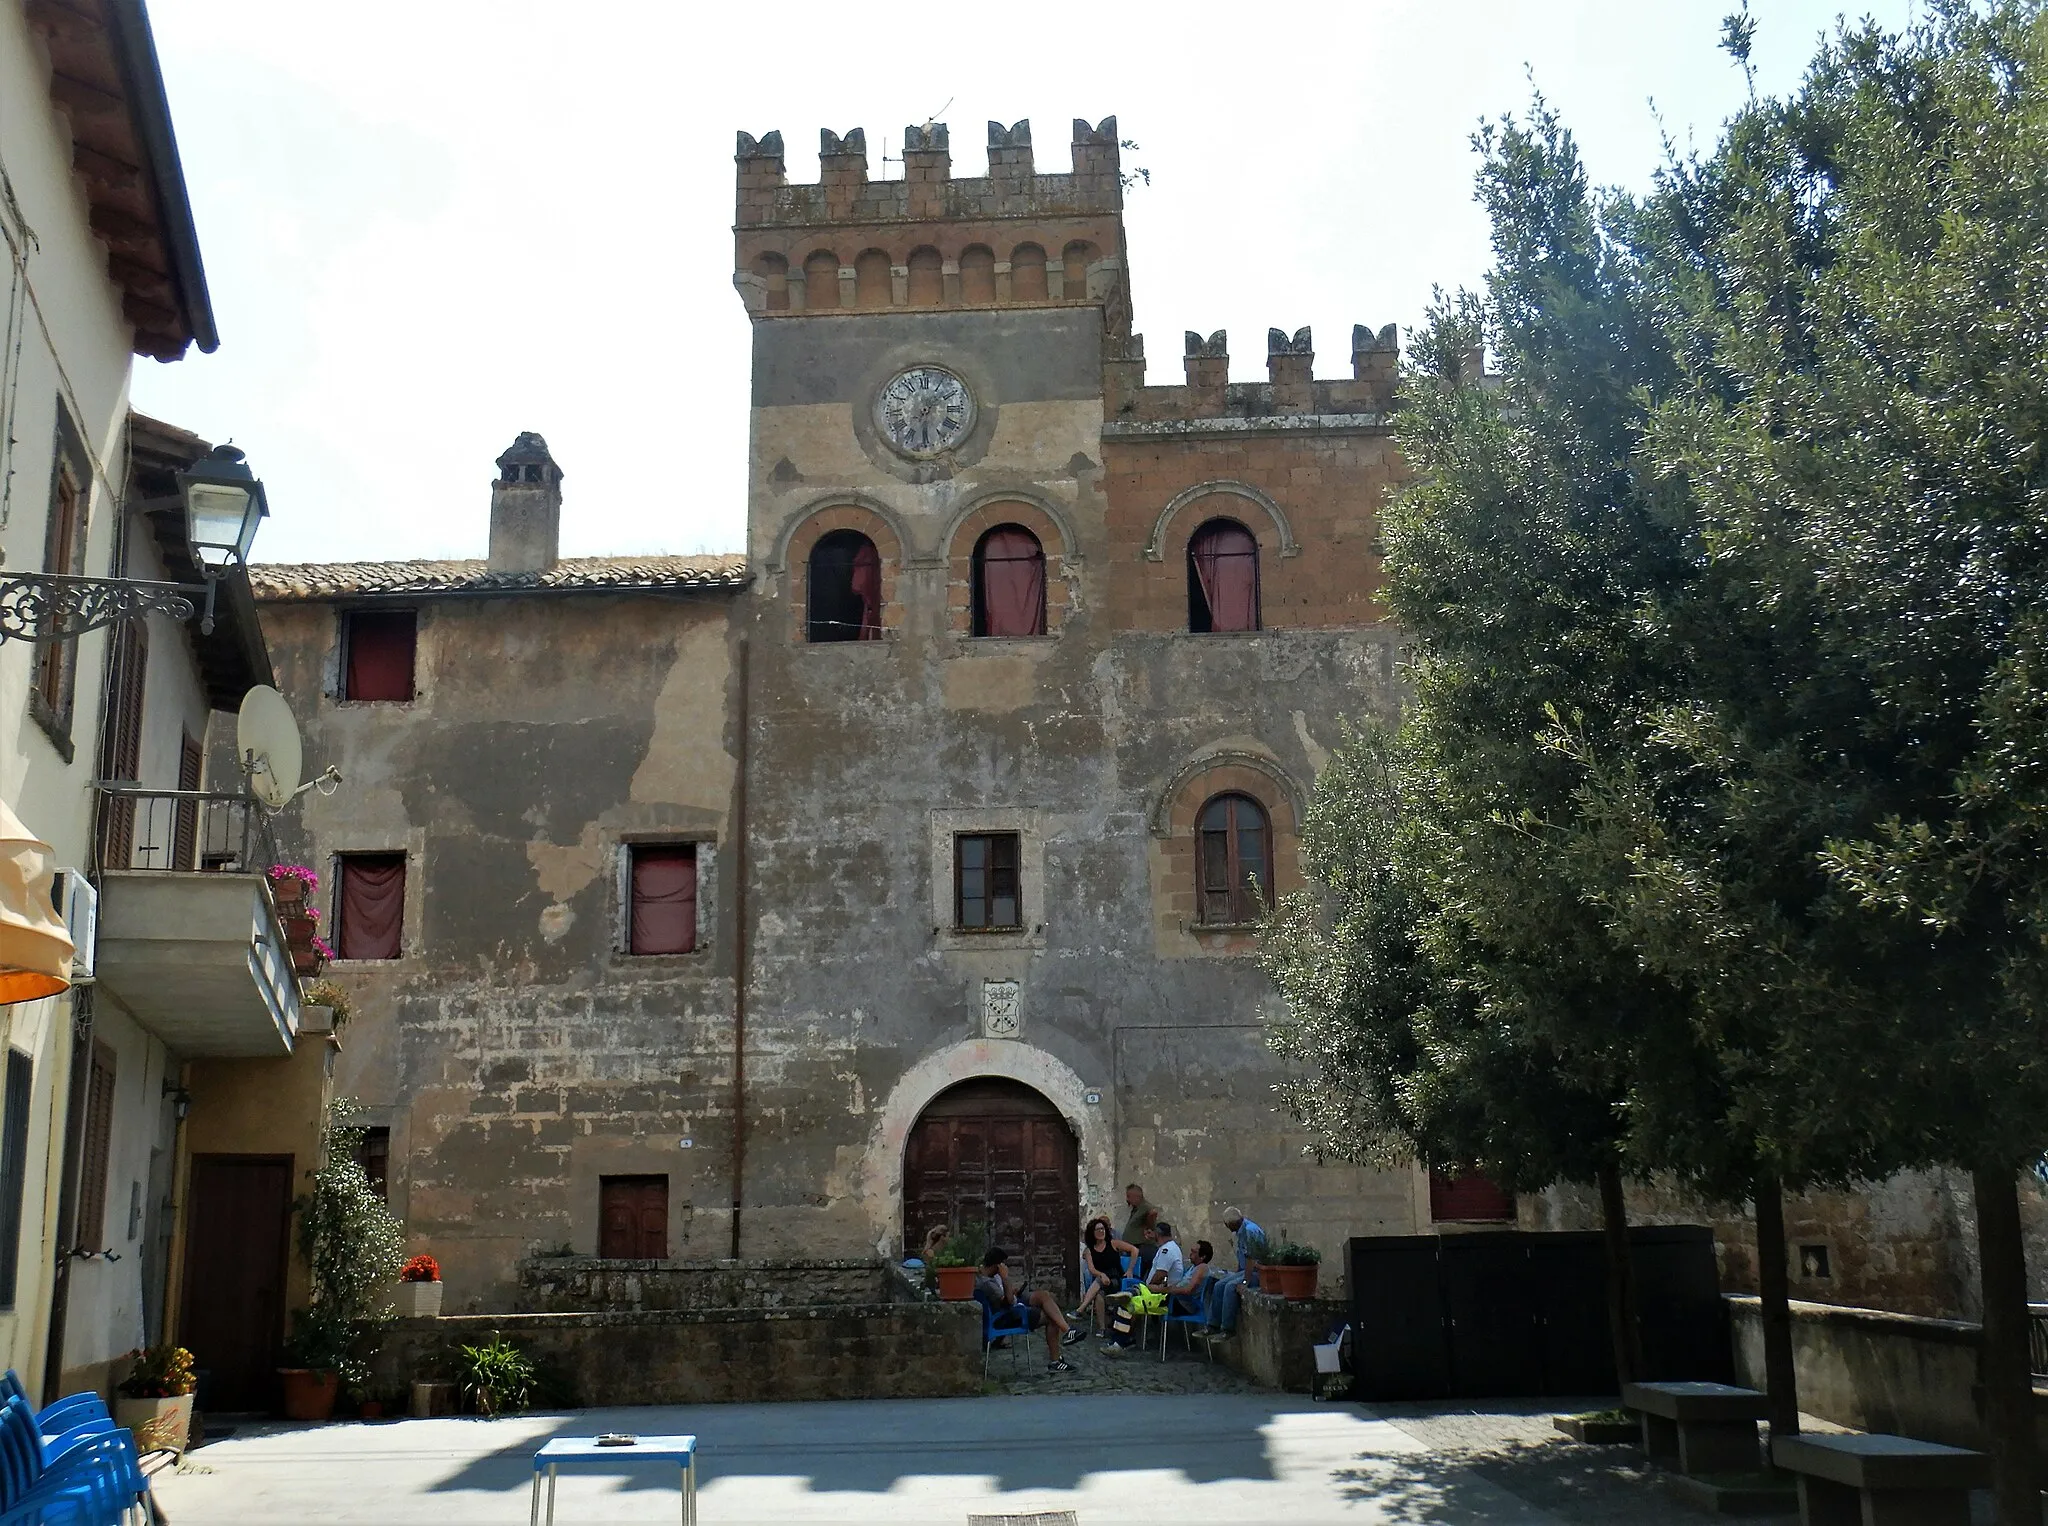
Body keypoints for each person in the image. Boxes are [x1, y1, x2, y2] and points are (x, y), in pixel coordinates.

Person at [977, 1246, 1085, 1372]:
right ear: (997, 1265)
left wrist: (1011, 1290)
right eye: (1002, 1264)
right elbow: (1008, 1302)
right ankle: (1056, 1361)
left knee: (1043, 1295)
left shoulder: (986, 1274)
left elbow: (1003, 1295)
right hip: (1009, 1314)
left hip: (1011, 1305)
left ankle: (1068, 1330)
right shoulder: (987, 1283)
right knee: (1051, 1317)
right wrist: (1005, 1278)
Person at [1203, 1206, 1264, 1340]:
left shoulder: (1249, 1231)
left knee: (1230, 1287)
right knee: (1219, 1285)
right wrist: (1237, 1273)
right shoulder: (1240, 1232)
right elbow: (1242, 1256)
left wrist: (1244, 1282)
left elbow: (1251, 1259)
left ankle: (1228, 1329)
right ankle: (1213, 1325)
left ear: (1231, 1224)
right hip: (1244, 1271)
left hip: (1257, 1273)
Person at [1072, 1215, 1140, 1333]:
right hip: (1103, 1282)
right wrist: (1102, 1275)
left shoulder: (1113, 1243)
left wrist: (1130, 1269)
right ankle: (1102, 1329)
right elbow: (1092, 1269)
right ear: (1092, 1232)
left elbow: (1134, 1250)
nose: (1101, 1231)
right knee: (1099, 1295)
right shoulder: (1089, 1251)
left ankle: (1081, 1309)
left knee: (1101, 1280)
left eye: (1103, 1229)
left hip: (1117, 1280)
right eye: (1098, 1229)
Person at [1121, 1184, 1161, 1274]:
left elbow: (1153, 1213)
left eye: (1129, 1196)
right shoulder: (1136, 1209)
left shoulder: (1145, 1207)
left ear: (1137, 1196)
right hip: (1134, 1248)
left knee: (1141, 1274)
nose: (1127, 1199)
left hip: (1143, 1247)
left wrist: (1149, 1227)